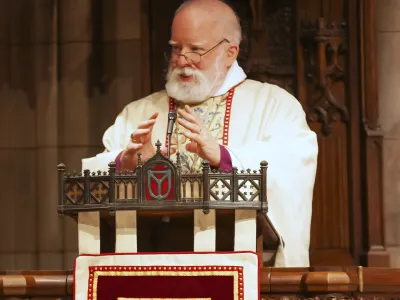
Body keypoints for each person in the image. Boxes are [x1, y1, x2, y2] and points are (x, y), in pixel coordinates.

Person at [82, 0, 318, 267]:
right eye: (175, 48)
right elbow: (94, 173)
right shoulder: (140, 112)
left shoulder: (273, 105)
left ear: (230, 52)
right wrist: (126, 165)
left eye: (196, 49)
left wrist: (224, 156)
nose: (182, 61)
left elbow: (293, 165)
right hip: (152, 266)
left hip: (241, 267)